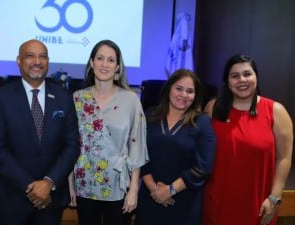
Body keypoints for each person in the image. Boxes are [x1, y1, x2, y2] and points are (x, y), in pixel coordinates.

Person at [0, 39, 80, 225]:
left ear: (48, 61)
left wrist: (48, 183)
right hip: (12, 199)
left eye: (42, 56)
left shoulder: (64, 97)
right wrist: (32, 188)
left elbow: (72, 145)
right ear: (19, 61)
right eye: (30, 56)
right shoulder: (1, 98)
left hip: (50, 200)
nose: (37, 61)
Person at [202, 54, 293, 225]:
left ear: (256, 77)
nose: (242, 80)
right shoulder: (213, 108)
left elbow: (284, 158)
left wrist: (274, 198)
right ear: (227, 82)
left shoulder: (276, 111)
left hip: (258, 205)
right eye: (235, 76)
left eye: (247, 74)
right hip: (216, 203)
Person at [68, 39, 149, 225]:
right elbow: (70, 145)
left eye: (111, 60)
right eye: (100, 58)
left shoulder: (131, 100)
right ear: (91, 63)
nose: (105, 64)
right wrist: (70, 185)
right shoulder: (77, 98)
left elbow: (136, 147)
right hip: (85, 184)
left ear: (118, 67)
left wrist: (134, 190)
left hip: (118, 187)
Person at [134, 69, 216, 225]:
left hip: (185, 202)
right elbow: (139, 154)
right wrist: (154, 190)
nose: (184, 95)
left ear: (195, 96)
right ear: (169, 89)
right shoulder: (150, 115)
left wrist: (170, 190)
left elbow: (203, 167)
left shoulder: (202, 123)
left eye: (190, 91)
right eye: (179, 88)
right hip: (150, 198)